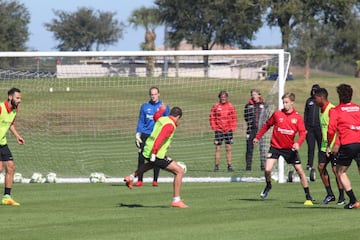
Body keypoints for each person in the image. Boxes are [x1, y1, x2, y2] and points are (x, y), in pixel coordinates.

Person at [254, 92, 314, 205]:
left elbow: (302, 133)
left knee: (300, 171)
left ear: (292, 102)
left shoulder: (297, 117)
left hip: (289, 149)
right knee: (267, 169)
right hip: (275, 147)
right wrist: (257, 137)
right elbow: (267, 125)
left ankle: (308, 196)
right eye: (283, 102)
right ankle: (268, 185)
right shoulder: (277, 114)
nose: (284, 104)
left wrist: (298, 143)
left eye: (286, 102)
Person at [124, 106, 188, 208]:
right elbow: (160, 138)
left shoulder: (163, 119)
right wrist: (154, 153)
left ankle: (131, 177)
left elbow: (156, 117)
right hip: (156, 153)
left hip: (148, 149)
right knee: (179, 171)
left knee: (150, 165)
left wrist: (161, 110)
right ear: (178, 117)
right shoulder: (170, 125)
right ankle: (176, 200)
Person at [327, 84, 360, 209]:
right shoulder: (357, 108)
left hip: (348, 144)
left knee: (340, 172)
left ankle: (353, 200)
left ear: (339, 96)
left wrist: (331, 143)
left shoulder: (335, 111)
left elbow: (331, 130)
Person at [313, 88, 345, 205]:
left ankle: (342, 196)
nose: (314, 100)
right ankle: (330, 194)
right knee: (321, 167)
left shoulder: (332, 110)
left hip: (333, 146)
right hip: (324, 145)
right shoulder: (320, 110)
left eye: (315, 98)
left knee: (336, 170)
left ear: (321, 98)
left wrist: (334, 145)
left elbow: (337, 129)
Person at [135, 86, 170, 187]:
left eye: (155, 94)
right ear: (149, 95)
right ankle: (140, 180)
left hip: (157, 135)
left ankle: (155, 180)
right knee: (141, 157)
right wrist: (138, 133)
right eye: (152, 94)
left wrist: (167, 138)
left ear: (159, 94)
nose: (153, 96)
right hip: (145, 134)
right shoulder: (144, 107)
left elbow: (167, 122)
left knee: (156, 158)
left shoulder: (164, 107)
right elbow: (141, 121)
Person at [0, 88, 24, 206]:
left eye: (20, 98)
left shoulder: (14, 110)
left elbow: (11, 124)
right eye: (17, 98)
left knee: (11, 167)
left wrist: (17, 136)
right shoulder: (0, 108)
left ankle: (6, 197)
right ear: (10, 97)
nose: (19, 100)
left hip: (2, 142)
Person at [209, 90, 237, 172]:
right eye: (222, 97)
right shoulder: (216, 106)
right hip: (219, 130)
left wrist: (232, 127)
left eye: (224, 97)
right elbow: (212, 117)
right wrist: (214, 127)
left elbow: (234, 117)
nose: (223, 98)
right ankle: (216, 166)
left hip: (228, 130)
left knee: (228, 148)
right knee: (218, 148)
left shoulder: (231, 106)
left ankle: (229, 165)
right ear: (219, 98)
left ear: (227, 98)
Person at [244, 89, 269, 171]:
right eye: (252, 94)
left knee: (262, 148)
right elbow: (246, 117)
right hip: (251, 129)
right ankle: (248, 167)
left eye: (255, 94)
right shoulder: (248, 105)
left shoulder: (265, 105)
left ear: (259, 95)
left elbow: (267, 116)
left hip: (262, 130)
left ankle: (263, 166)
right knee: (249, 148)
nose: (254, 96)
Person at [304, 84, 322, 170]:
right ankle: (309, 164)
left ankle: (321, 163)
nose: (314, 92)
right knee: (311, 147)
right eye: (313, 90)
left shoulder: (321, 101)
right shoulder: (309, 101)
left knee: (320, 147)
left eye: (316, 91)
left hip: (319, 128)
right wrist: (305, 127)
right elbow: (305, 114)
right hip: (309, 128)